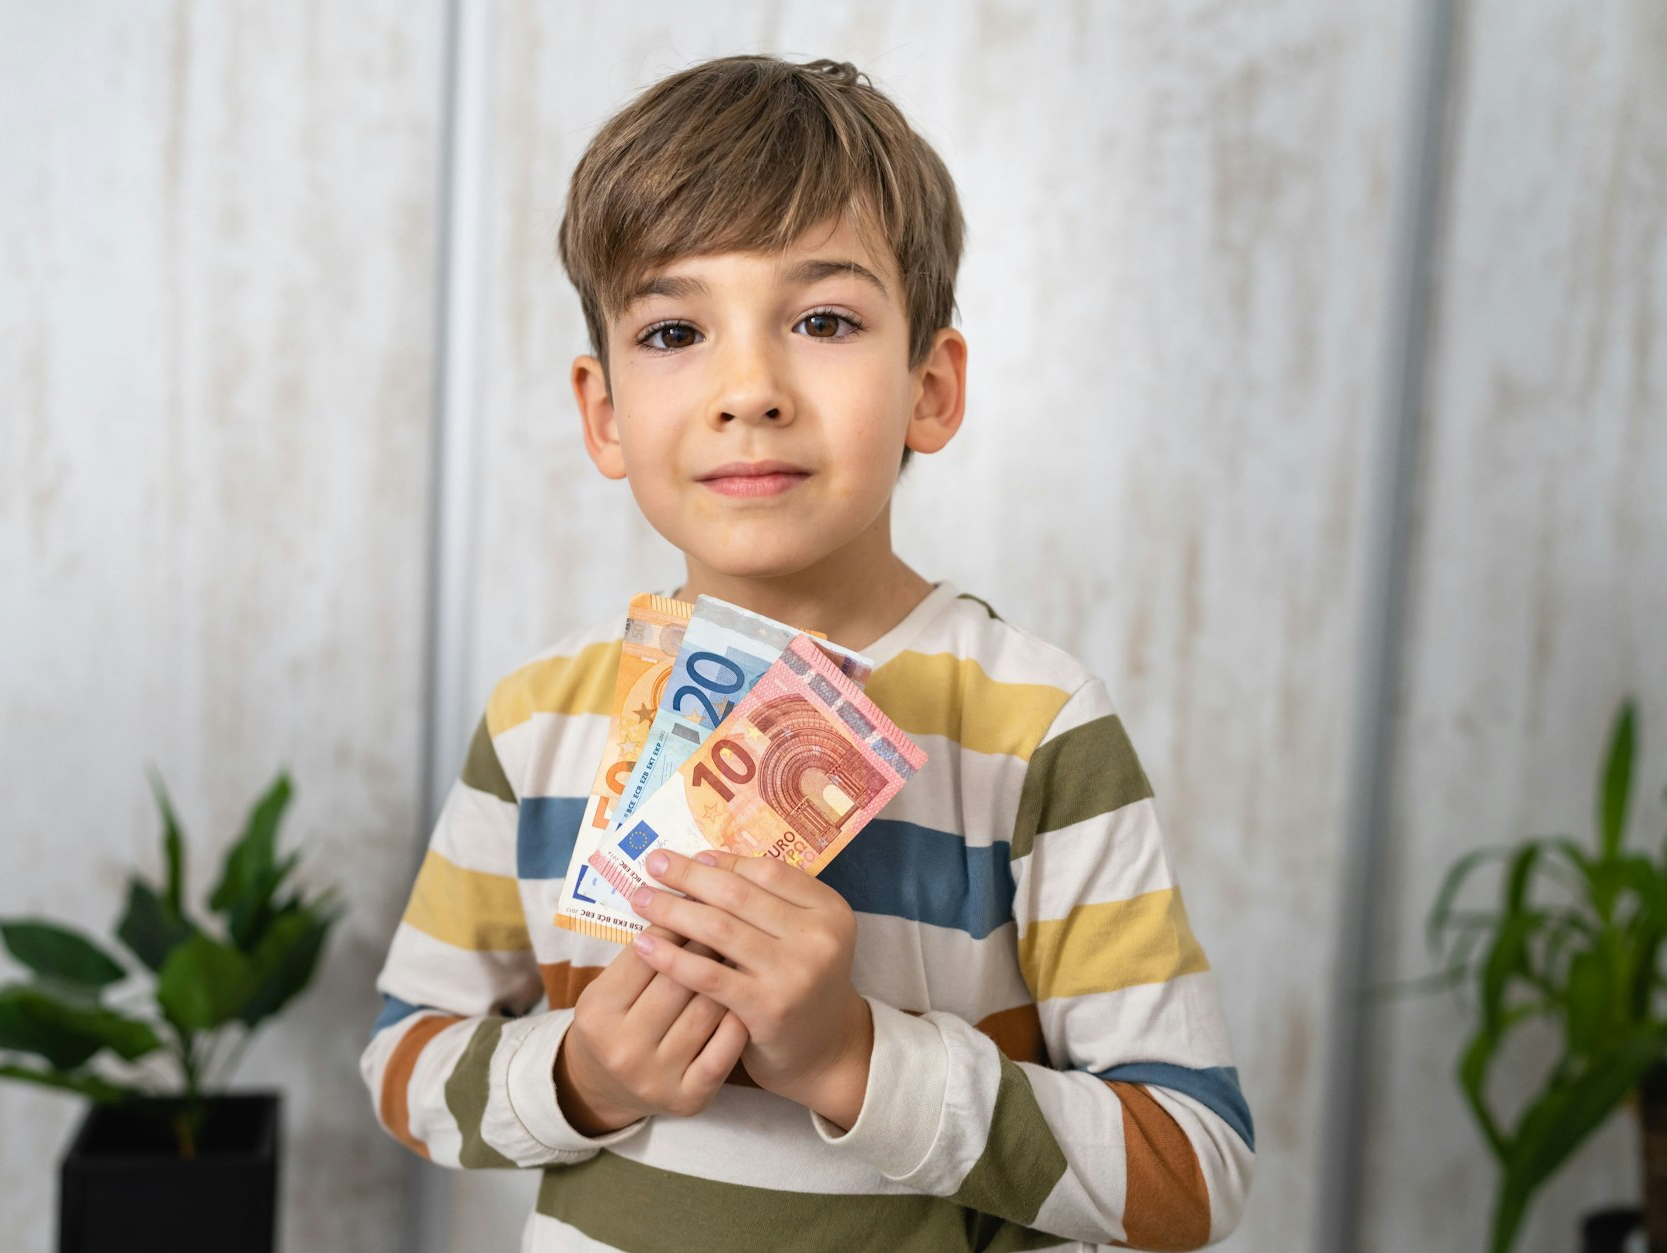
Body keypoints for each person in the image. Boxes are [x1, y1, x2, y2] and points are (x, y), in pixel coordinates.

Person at [360, 54, 1254, 1252]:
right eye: (674, 328)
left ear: (929, 387)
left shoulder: (1035, 726)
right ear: (604, 413)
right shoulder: (537, 722)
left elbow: (1188, 1172)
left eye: (823, 319)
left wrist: (854, 1057)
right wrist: (584, 1075)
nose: (749, 388)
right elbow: (402, 1056)